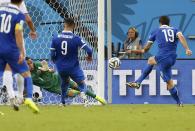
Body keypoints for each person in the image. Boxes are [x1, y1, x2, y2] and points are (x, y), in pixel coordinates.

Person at [126, 16, 192, 106]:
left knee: (150, 60)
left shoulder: (156, 31)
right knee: (169, 83)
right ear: (169, 23)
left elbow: (146, 49)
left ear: (160, 23)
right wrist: (187, 49)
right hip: (172, 58)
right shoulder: (175, 29)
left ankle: (138, 82)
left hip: (163, 57)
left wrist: (137, 50)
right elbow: (180, 36)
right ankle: (179, 102)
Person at [0, 0, 39, 113]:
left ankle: (11, 96)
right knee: (23, 70)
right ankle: (22, 97)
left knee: (7, 68)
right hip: (12, 44)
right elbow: (28, 20)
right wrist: (32, 30)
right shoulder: (19, 12)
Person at [25, 57, 106, 105]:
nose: (30, 65)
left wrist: (50, 70)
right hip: (52, 87)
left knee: (77, 86)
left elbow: (46, 67)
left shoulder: (37, 64)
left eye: (30, 63)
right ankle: (80, 93)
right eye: (28, 64)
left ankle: (98, 98)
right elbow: (36, 77)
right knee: (71, 94)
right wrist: (41, 71)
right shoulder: (28, 75)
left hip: (57, 78)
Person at [50, 18, 94, 106]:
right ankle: (84, 97)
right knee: (81, 84)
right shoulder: (76, 38)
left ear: (64, 25)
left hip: (61, 67)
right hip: (73, 67)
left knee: (65, 82)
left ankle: (62, 102)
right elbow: (89, 50)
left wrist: (56, 61)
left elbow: (52, 53)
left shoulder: (55, 38)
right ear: (74, 26)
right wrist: (89, 56)